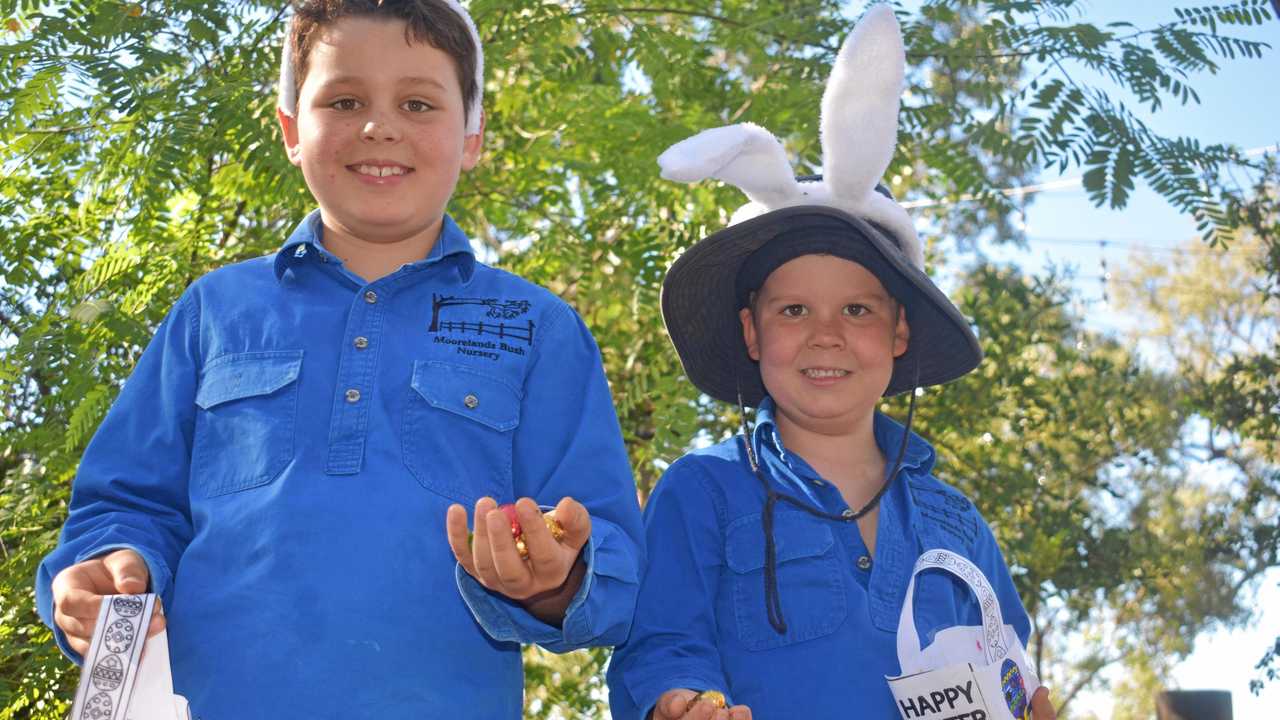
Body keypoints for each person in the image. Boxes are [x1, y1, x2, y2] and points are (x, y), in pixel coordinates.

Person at [35, 2, 642, 717]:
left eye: (417, 102)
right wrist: (111, 568)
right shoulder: (214, 311)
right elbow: (126, 505)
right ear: (292, 130)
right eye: (344, 99)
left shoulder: (538, 327)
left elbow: (611, 560)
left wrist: (553, 580)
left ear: (472, 135)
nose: (379, 126)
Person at [606, 6, 1054, 719]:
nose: (826, 336)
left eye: (857, 310)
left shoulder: (959, 521)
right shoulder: (703, 491)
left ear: (901, 332)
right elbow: (660, 644)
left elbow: (1013, 666)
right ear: (751, 334)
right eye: (792, 311)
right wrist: (676, 701)